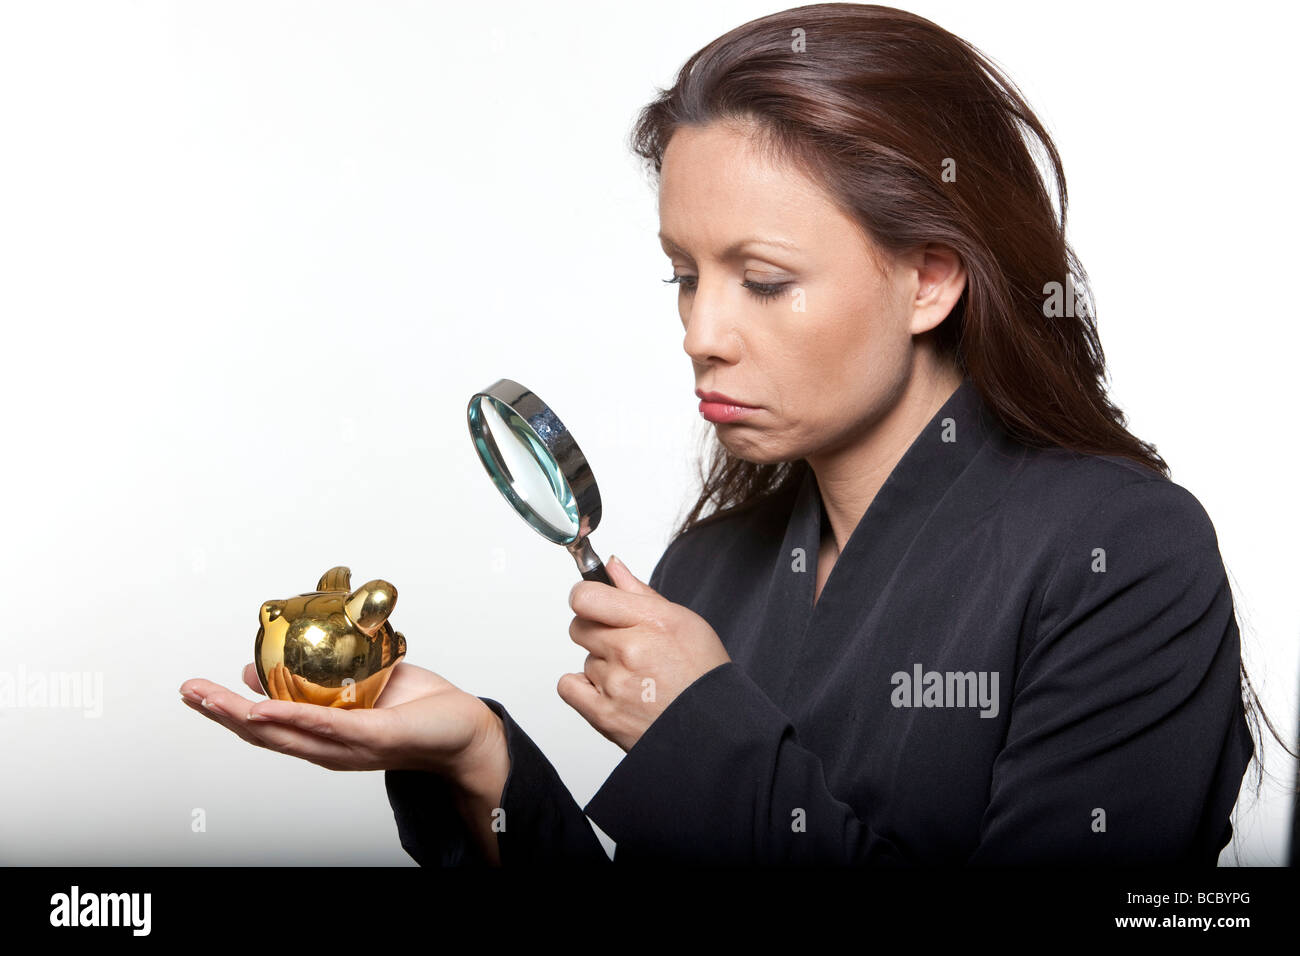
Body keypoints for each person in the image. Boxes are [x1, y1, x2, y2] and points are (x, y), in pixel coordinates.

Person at [179, 2, 1268, 865]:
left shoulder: (1121, 556)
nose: (702, 332)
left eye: (763, 279)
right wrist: (482, 762)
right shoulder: (711, 566)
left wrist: (702, 727)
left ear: (930, 277)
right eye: (684, 275)